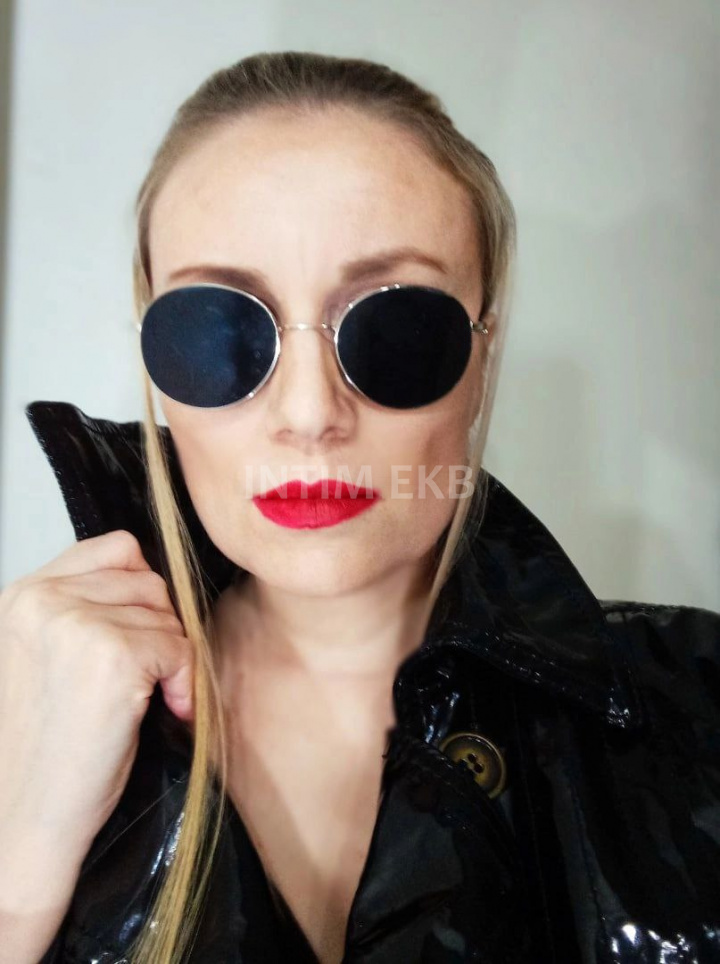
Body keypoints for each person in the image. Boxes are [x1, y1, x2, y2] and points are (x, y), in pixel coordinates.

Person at [1, 50, 719, 964]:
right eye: (218, 329)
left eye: (396, 327)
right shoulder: (24, 705)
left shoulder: (698, 703)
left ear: (484, 348)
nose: (310, 416)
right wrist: (18, 862)